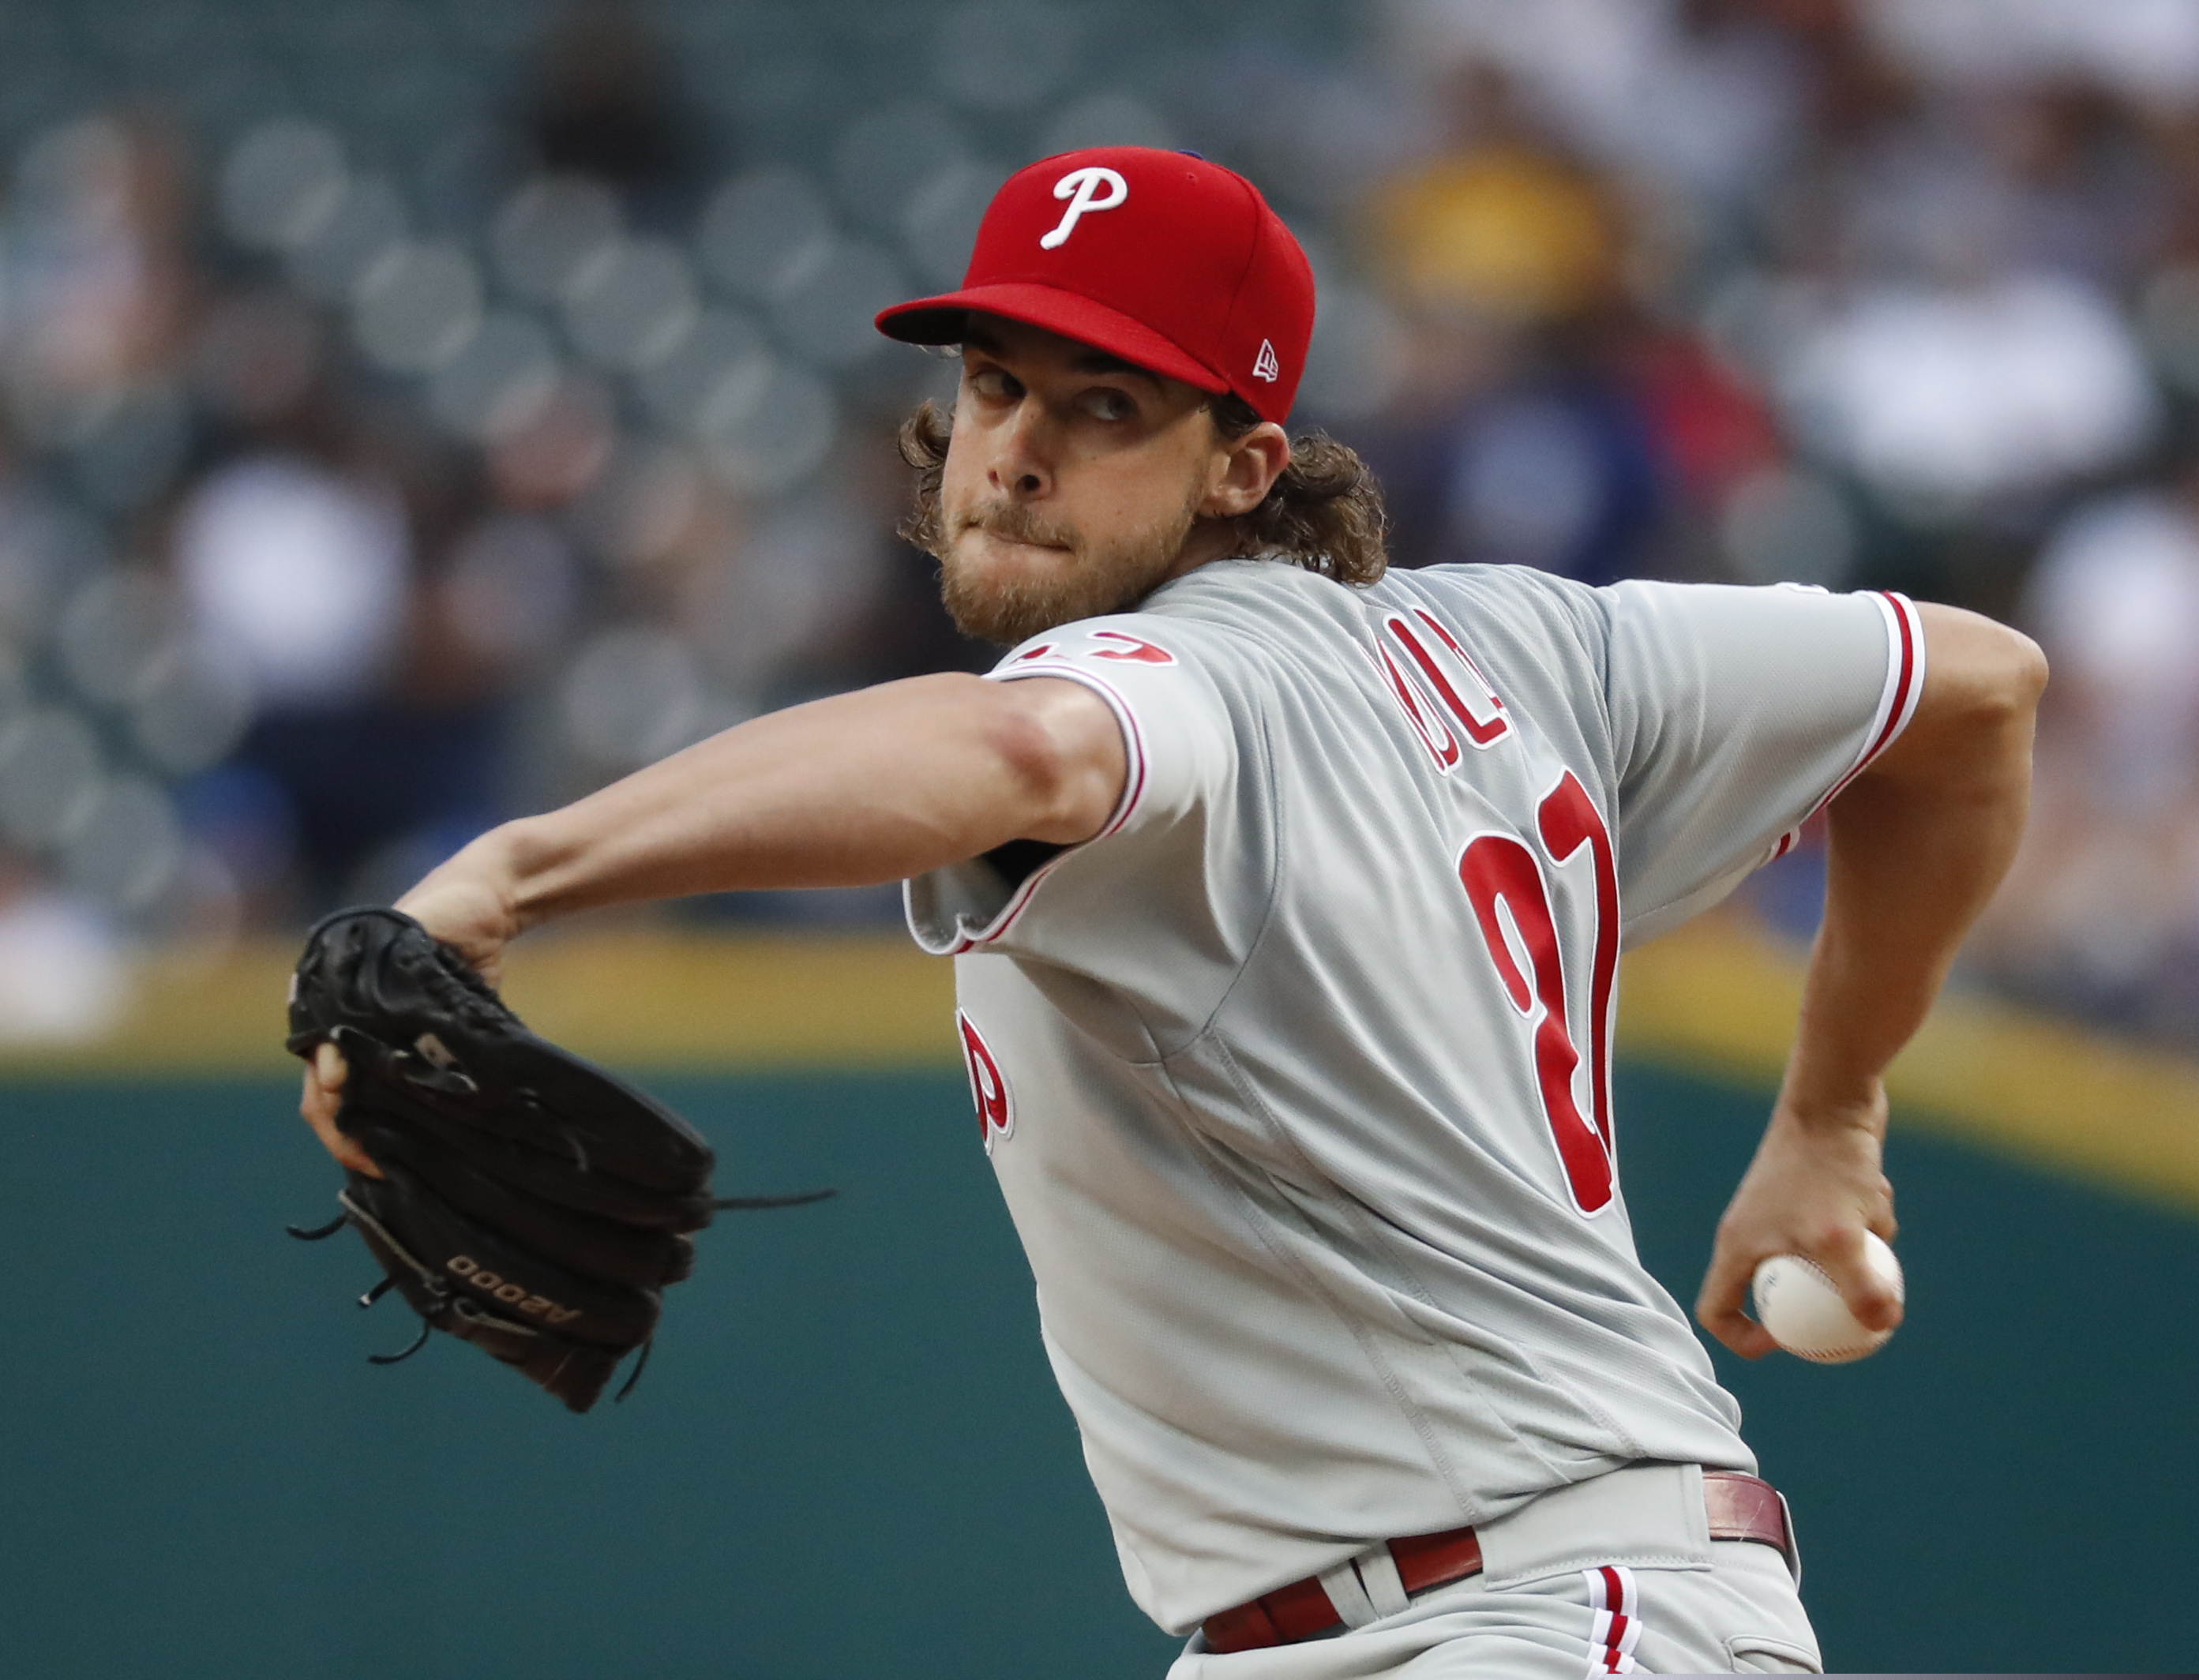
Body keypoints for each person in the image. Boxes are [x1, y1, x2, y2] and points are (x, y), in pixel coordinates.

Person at [298, 148, 2044, 1675]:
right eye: (994, 386)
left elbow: (1022, 744)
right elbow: (1972, 689)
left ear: (1240, 463)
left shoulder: (1171, 671)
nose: (1019, 451)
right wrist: (1828, 1109)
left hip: (1527, 1608)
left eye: (1105, 405)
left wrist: (509, 874)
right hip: (1433, 1610)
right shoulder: (1532, 645)